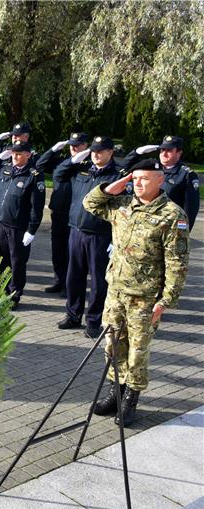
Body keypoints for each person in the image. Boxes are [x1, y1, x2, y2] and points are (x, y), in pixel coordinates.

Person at [85, 159, 189, 427]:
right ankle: (115, 393)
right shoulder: (123, 205)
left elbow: (177, 262)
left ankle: (131, 399)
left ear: (160, 180)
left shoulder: (172, 215)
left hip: (145, 298)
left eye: (144, 178)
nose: (138, 183)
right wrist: (116, 185)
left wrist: (166, 301)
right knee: (112, 345)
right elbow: (91, 203)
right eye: (135, 178)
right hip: (116, 292)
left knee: (137, 351)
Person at [54, 136, 123, 338]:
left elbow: (120, 208)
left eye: (100, 151)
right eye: (93, 150)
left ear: (110, 152)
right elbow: (58, 174)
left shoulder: (116, 175)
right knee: (73, 276)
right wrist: (75, 158)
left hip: (100, 235)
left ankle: (93, 321)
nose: (95, 154)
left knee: (98, 281)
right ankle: (72, 315)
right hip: (76, 231)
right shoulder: (81, 169)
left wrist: (114, 240)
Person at [0, 140, 46, 309]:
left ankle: (14, 294)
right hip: (2, 223)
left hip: (19, 227)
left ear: (28, 155)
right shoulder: (4, 168)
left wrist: (32, 230)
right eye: (13, 153)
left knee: (17, 262)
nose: (15, 156)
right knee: (2, 260)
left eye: (19, 154)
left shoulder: (33, 176)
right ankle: (2, 292)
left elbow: (37, 206)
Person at [35, 132, 90, 297]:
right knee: (58, 250)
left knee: (72, 253)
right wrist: (53, 150)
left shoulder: (88, 165)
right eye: (71, 145)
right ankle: (58, 281)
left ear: (85, 146)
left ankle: (70, 285)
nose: (73, 148)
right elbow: (40, 165)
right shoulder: (63, 161)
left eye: (77, 145)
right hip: (58, 212)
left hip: (75, 216)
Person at [123, 135, 199, 230]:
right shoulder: (152, 167)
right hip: (144, 224)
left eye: (169, 151)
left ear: (179, 153)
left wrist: (181, 231)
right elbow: (124, 168)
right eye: (162, 150)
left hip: (167, 227)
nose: (164, 154)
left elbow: (189, 209)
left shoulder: (186, 175)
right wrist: (137, 152)